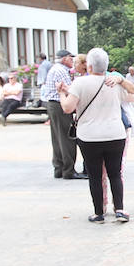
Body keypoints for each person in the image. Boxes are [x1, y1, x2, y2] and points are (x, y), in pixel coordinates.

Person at [60, 48, 134, 223]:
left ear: (90, 66)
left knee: (94, 176)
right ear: (106, 66)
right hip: (115, 134)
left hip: (89, 137)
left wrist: (62, 94)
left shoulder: (80, 83)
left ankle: (99, 213)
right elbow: (132, 95)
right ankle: (120, 209)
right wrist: (121, 80)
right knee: (115, 173)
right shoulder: (114, 82)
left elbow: (67, 108)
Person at [43, 49, 81, 179]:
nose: (73, 61)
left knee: (58, 138)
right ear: (64, 58)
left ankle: (59, 168)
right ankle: (68, 169)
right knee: (67, 138)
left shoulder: (56, 69)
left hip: (54, 105)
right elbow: (71, 90)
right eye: (71, 58)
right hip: (60, 104)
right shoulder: (61, 70)